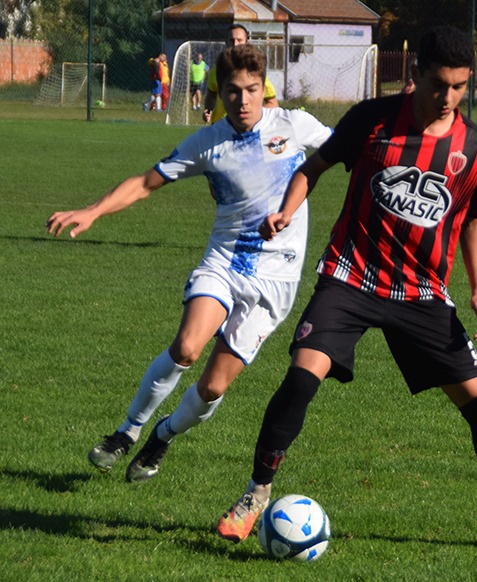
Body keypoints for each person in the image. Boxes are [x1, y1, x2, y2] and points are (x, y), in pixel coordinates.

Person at [216, 26, 477, 555]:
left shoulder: (475, 149)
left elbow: (472, 220)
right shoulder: (372, 120)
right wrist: (286, 211)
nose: (446, 97)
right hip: (350, 275)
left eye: (458, 87)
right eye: (437, 84)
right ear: (415, 75)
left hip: (422, 292)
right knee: (302, 376)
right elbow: (314, 166)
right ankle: (256, 493)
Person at [46, 45, 332, 483]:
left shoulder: (293, 125)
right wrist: (92, 211)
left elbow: (352, 147)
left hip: (277, 280)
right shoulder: (207, 143)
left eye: (252, 90)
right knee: (186, 348)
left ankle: (162, 436)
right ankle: (126, 432)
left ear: (264, 87)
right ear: (221, 92)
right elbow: (146, 182)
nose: (243, 101)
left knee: (214, 386)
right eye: (233, 92)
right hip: (225, 261)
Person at [203, 24, 278, 124]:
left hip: (243, 130)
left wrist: (252, 115)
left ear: (246, 43)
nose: (235, 44)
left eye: (239, 40)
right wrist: (208, 110)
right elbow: (211, 95)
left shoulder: (254, 72)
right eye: (231, 40)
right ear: (226, 43)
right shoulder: (216, 70)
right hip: (219, 129)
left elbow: (273, 103)